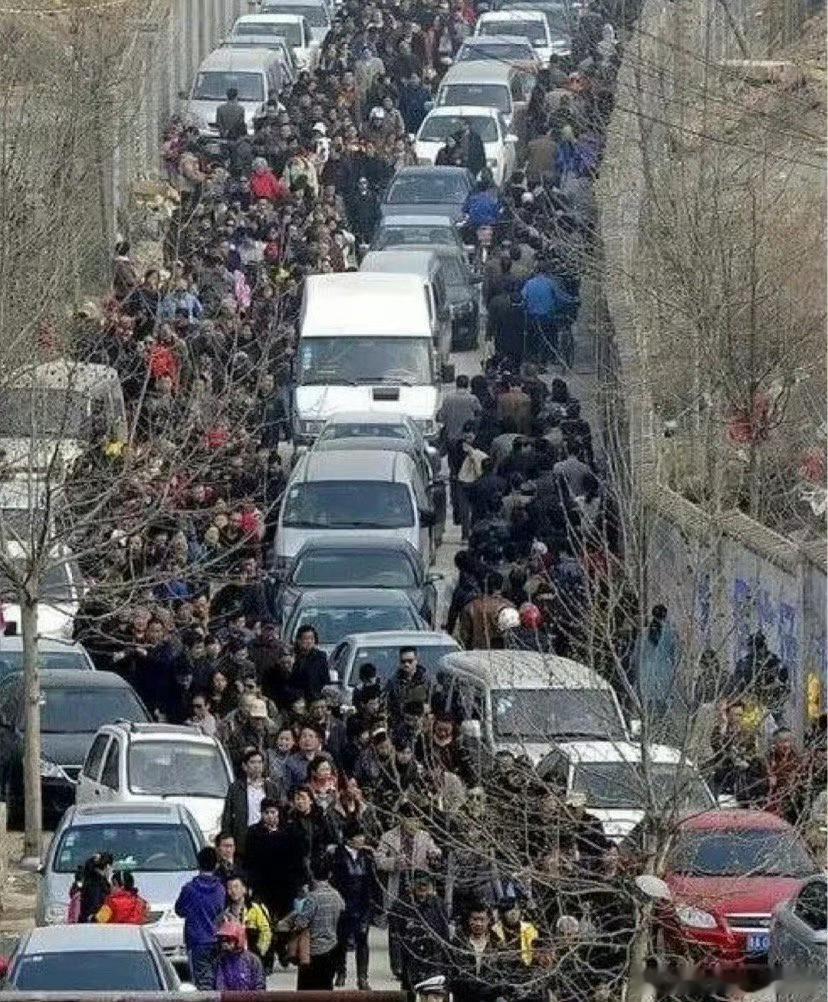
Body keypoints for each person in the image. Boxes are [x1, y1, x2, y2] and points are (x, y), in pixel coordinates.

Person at [331, 821, 378, 989]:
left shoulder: (366, 856)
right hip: (344, 904)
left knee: (362, 940)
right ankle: (341, 971)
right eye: (358, 836)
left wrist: (374, 905)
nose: (362, 839)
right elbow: (335, 881)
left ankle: (362, 977)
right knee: (341, 941)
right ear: (349, 839)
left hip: (362, 904)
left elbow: (373, 881)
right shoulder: (338, 855)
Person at [175, 846, 226, 990]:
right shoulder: (221, 889)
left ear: (198, 864)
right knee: (216, 979)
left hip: (196, 941)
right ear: (216, 864)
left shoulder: (190, 889)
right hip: (217, 940)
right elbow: (221, 912)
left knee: (202, 982)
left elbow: (179, 910)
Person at [291, 858, 346, 989]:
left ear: (312, 874)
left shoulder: (312, 898)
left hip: (312, 951)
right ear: (330, 874)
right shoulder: (336, 895)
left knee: (307, 992)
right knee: (326, 989)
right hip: (331, 948)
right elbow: (342, 914)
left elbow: (301, 923)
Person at [221, 748, 283, 858]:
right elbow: (227, 815)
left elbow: (280, 812)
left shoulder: (272, 788)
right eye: (252, 762)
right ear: (244, 766)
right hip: (244, 841)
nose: (256, 766)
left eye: (259, 762)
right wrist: (227, 836)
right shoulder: (236, 788)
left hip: (268, 839)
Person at [221, 872, 272, 960]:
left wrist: (259, 953)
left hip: (252, 958)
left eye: (236, 887)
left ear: (244, 889)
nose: (233, 891)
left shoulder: (255, 908)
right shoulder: (225, 913)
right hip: (232, 960)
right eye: (229, 888)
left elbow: (266, 931)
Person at [214, 919, 267, 990]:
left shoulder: (252, 960)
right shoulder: (221, 960)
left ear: (238, 939)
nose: (224, 943)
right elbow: (220, 984)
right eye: (222, 940)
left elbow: (260, 986)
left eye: (228, 939)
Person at [386, 646, 430, 726]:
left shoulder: (427, 681)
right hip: (400, 726)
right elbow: (388, 707)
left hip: (423, 725)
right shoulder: (393, 683)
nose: (406, 664)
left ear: (416, 660)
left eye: (410, 661)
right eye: (403, 661)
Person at [292, 625, 331, 702]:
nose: (309, 642)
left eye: (311, 639)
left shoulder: (320, 656)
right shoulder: (293, 656)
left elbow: (325, 679)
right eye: (306, 639)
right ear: (299, 640)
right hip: (297, 698)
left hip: (316, 697)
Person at [78, 853, 113, 923]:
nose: (111, 870)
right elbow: (97, 909)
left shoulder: (88, 885)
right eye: (108, 867)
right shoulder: (99, 887)